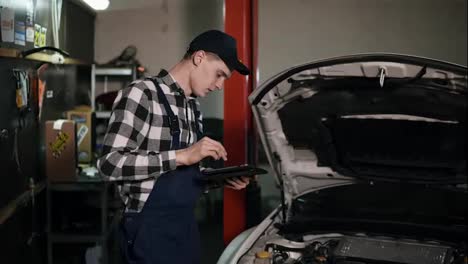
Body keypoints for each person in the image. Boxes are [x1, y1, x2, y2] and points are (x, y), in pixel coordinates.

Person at [97, 30, 251, 264]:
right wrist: (181, 156)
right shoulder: (142, 93)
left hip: (186, 229)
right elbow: (109, 164)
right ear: (199, 58)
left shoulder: (193, 107)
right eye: (219, 75)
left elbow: (185, 177)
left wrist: (222, 180)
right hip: (148, 232)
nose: (220, 85)